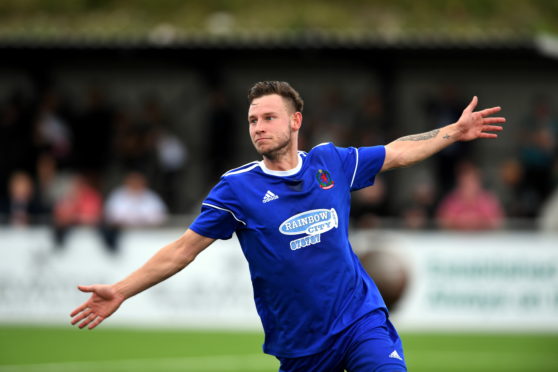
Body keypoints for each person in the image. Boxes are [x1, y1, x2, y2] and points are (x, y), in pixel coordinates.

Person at [70, 81, 505, 372]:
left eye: (269, 118)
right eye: (253, 121)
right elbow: (182, 249)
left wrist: (453, 130)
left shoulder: (330, 162)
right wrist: (122, 289)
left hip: (359, 320)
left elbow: (396, 153)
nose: (259, 127)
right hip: (301, 347)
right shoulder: (236, 189)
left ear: (295, 121)